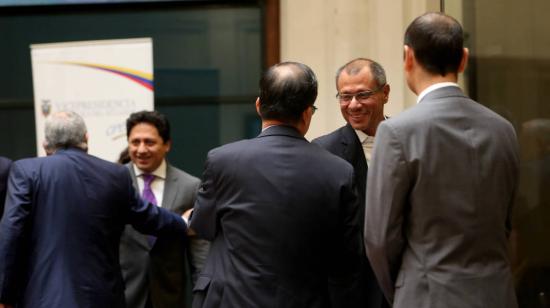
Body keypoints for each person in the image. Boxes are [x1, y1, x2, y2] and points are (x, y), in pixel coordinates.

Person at [364, 12, 520, 308]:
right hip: (497, 294)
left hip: (426, 295)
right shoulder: (503, 129)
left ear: (408, 57)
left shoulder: (397, 132)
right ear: (463, 59)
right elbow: (506, 225)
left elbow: (379, 240)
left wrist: (404, 291)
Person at [190, 61, 363, 308]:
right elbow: (347, 260)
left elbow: (203, 227)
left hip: (231, 300)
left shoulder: (222, 161)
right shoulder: (339, 171)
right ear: (307, 112)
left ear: (259, 106)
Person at [0, 111, 188, 308]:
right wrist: (183, 223)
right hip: (102, 298)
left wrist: (4, 295)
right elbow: (147, 216)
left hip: (44, 299)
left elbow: (12, 231)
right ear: (86, 138)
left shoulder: (26, 171)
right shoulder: (114, 175)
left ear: (45, 144)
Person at [312, 58, 390, 308]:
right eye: (345, 97)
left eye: (363, 95)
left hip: (404, 285)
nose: (354, 105)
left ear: (385, 93)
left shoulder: (409, 140)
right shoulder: (323, 151)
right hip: (350, 293)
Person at [119, 110, 207, 308]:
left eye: (149, 142)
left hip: (169, 298)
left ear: (167, 144)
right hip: (123, 297)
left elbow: (200, 255)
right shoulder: (113, 182)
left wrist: (203, 300)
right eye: (135, 142)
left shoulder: (190, 186)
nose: (141, 149)